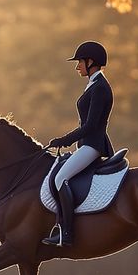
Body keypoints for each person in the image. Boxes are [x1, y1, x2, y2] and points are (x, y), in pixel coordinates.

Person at [42, 41, 114, 247]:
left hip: (93, 144)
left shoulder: (100, 87)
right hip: (86, 144)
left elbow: (90, 126)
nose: (77, 67)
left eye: (80, 62)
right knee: (59, 175)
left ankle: (67, 233)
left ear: (91, 62)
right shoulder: (93, 84)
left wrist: (63, 140)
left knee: (60, 178)